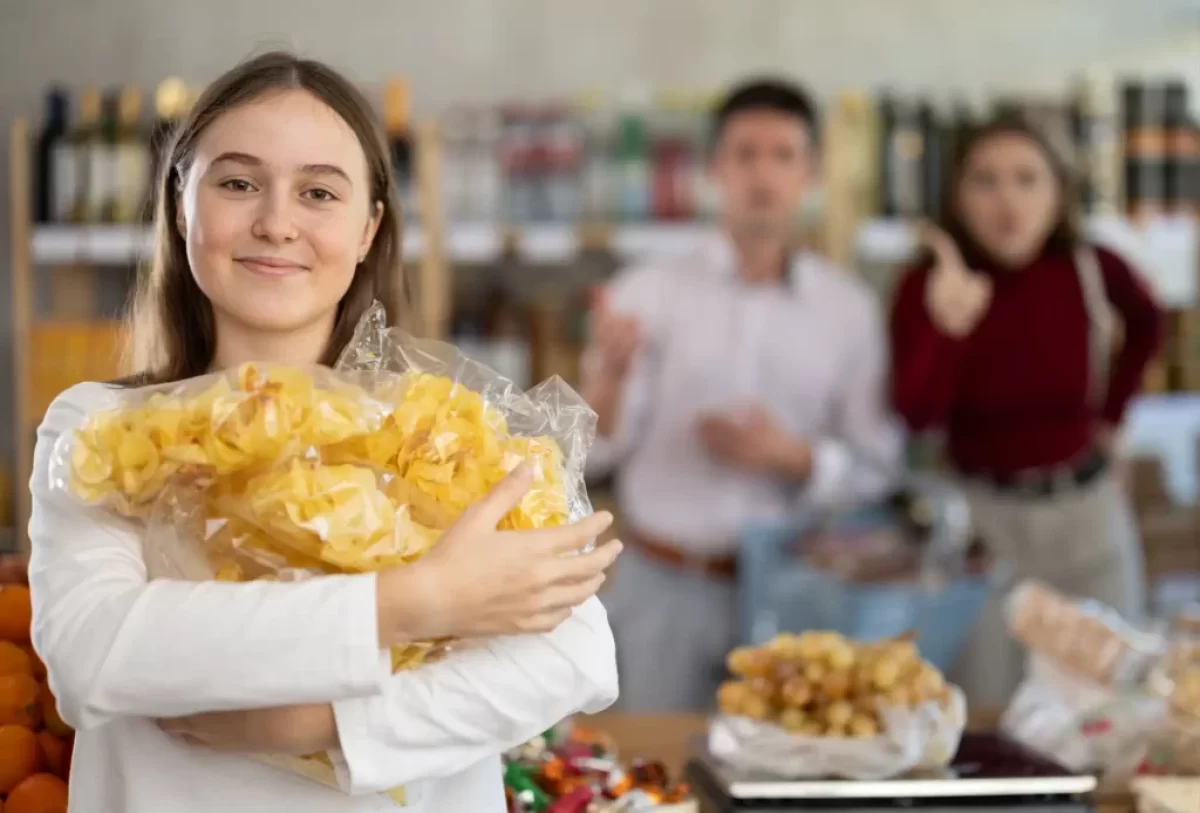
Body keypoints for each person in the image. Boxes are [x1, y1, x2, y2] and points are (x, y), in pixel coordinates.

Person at [28, 52, 621, 813]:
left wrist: (328, 727)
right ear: (180, 205)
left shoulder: (443, 431)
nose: (277, 223)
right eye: (237, 183)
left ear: (369, 227)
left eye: (319, 192)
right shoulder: (102, 428)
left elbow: (577, 654)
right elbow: (95, 655)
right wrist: (417, 602)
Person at [581, 78, 901, 712]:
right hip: (663, 586)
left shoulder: (849, 310)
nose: (763, 174)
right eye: (745, 154)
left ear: (811, 174)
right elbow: (591, 457)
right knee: (654, 764)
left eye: (783, 156)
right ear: (715, 169)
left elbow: (878, 469)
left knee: (791, 763)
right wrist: (610, 377)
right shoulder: (646, 293)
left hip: (798, 589)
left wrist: (794, 458)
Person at [889, 115, 1163, 706]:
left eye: (1027, 179)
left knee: (1114, 704)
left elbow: (1148, 322)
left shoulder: (1090, 267)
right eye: (985, 181)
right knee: (987, 703)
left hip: (1086, 515)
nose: (1007, 201)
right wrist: (948, 329)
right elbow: (916, 416)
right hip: (983, 526)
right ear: (956, 195)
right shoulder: (928, 284)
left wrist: (1111, 417)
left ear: (1059, 191)